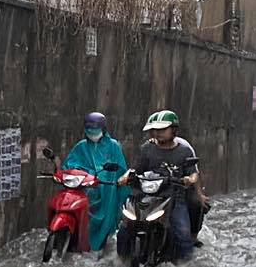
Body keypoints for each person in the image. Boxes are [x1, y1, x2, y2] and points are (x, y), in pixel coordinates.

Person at [127, 109, 204, 259]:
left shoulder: (184, 151)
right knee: (126, 226)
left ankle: (187, 265)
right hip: (148, 197)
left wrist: (190, 179)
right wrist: (126, 177)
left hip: (175, 198)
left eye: (163, 129)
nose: (158, 133)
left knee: (182, 233)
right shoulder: (147, 149)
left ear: (173, 130)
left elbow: (193, 172)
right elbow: (136, 169)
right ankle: (122, 258)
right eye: (156, 130)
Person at [65, 112, 127, 255]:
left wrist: (107, 175)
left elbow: (121, 168)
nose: (92, 133)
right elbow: (69, 165)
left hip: (107, 192)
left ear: (103, 129)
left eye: (95, 130)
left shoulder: (113, 146)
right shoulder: (81, 146)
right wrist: (82, 174)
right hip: (87, 190)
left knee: (106, 218)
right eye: (89, 130)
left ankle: (100, 247)